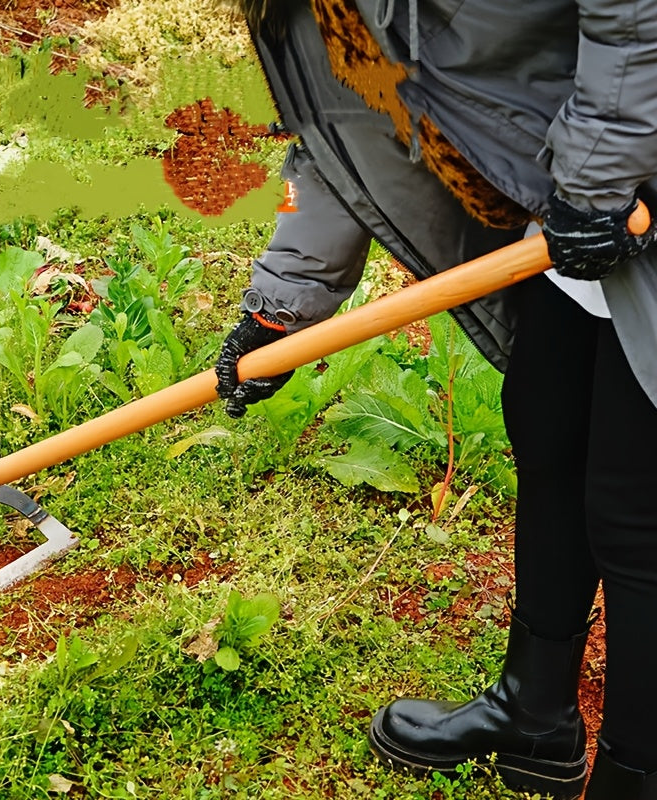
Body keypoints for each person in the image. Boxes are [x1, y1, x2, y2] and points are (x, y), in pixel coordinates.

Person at [213, 1, 657, 798]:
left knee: (638, 507)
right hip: (591, 192)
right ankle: (536, 712)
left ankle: (635, 774)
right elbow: (349, 107)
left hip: (626, 171)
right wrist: (281, 307)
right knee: (548, 424)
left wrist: (596, 179)